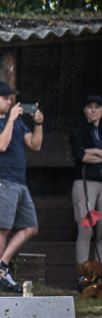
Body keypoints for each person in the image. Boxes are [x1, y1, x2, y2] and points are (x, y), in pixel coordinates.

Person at [0, 80, 43, 292]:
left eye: (10, 99)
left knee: (31, 227)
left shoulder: (15, 121)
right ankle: (2, 278)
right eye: (6, 99)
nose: (10, 102)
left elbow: (35, 144)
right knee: (4, 228)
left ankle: (1, 265)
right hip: (3, 180)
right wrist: (12, 119)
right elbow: (1, 144)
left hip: (20, 181)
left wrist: (38, 124)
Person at [69, 93, 102, 291]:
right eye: (90, 107)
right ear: (85, 110)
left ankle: (97, 277)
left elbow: (86, 153)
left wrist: (93, 152)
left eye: (97, 107)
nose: (93, 110)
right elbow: (80, 155)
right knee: (86, 230)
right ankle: (83, 277)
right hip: (84, 181)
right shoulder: (79, 129)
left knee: (101, 232)